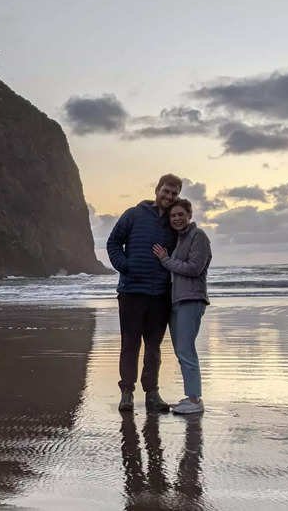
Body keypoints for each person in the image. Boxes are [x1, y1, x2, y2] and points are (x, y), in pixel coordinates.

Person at [107, 174, 181, 412]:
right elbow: (113, 243)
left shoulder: (173, 222)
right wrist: (126, 266)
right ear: (157, 189)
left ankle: (152, 394)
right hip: (131, 291)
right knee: (130, 344)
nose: (169, 196)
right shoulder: (133, 214)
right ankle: (127, 393)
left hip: (160, 294)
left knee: (154, 347)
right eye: (166, 191)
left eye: (174, 193)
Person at [152, 198, 211, 414]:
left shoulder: (199, 236)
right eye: (173, 215)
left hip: (192, 300)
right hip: (177, 301)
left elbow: (194, 268)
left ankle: (195, 401)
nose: (177, 218)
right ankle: (190, 397)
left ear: (189, 215)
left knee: (186, 350)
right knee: (181, 351)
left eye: (180, 214)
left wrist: (165, 260)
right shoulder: (179, 239)